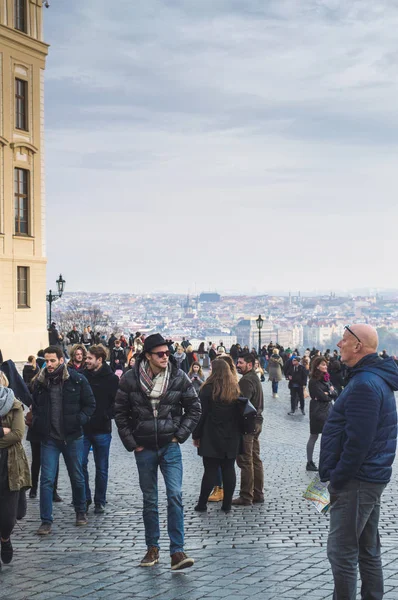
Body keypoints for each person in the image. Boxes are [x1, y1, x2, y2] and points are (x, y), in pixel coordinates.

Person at [319, 324, 398, 600]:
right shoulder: (370, 378)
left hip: (357, 479)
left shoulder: (365, 384)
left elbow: (358, 442)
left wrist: (339, 478)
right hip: (368, 477)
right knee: (368, 548)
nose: (339, 345)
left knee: (341, 552)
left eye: (344, 341)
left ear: (358, 347)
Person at [114, 333, 201, 570]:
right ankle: (152, 548)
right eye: (160, 354)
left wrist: (179, 435)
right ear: (148, 356)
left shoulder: (178, 376)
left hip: (169, 445)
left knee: (175, 495)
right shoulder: (130, 379)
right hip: (144, 448)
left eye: (167, 353)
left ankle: (177, 551)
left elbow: (194, 408)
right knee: (150, 499)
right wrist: (132, 443)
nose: (165, 357)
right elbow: (120, 414)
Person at [31, 345, 95, 535]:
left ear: (61, 360)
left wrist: (78, 421)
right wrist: (37, 422)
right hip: (49, 437)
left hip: (72, 436)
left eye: (52, 360)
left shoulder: (76, 379)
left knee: (77, 476)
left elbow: (90, 404)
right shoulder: (40, 382)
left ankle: (80, 511)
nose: (49, 364)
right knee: (47, 479)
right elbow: (34, 405)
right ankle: (46, 521)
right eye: (46, 361)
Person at [192, 359, 241, 513]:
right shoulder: (234, 388)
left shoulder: (207, 389)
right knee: (229, 468)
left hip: (211, 434)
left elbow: (202, 414)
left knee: (210, 470)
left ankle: (202, 504)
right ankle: (227, 504)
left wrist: (196, 434)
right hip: (232, 435)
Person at [82, 345, 119, 514]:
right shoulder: (82, 376)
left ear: (99, 359)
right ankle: (85, 497)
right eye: (86, 358)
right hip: (83, 429)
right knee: (80, 464)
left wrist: (106, 415)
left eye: (89, 358)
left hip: (103, 429)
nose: (86, 360)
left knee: (101, 468)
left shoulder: (112, 379)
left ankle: (100, 501)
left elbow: (117, 403)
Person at [0, 371, 31, 569]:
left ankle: (5, 538)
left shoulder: (14, 404)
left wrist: (8, 433)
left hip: (9, 463)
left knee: (8, 516)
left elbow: (17, 434)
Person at [232, 353, 264, 506]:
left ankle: (246, 496)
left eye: (240, 362)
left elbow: (242, 404)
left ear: (249, 365)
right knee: (255, 459)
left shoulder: (246, 380)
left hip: (248, 424)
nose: (238, 365)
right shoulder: (254, 377)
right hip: (257, 422)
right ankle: (257, 493)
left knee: (245, 460)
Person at [306, 356, 336, 472]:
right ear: (317, 366)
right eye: (323, 364)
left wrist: (329, 392)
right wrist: (329, 392)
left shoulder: (326, 378)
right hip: (318, 410)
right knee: (314, 435)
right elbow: (322, 396)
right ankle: (310, 462)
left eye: (326, 364)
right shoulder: (313, 380)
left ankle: (324, 461)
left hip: (328, 409)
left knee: (326, 436)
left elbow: (335, 392)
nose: (326, 366)